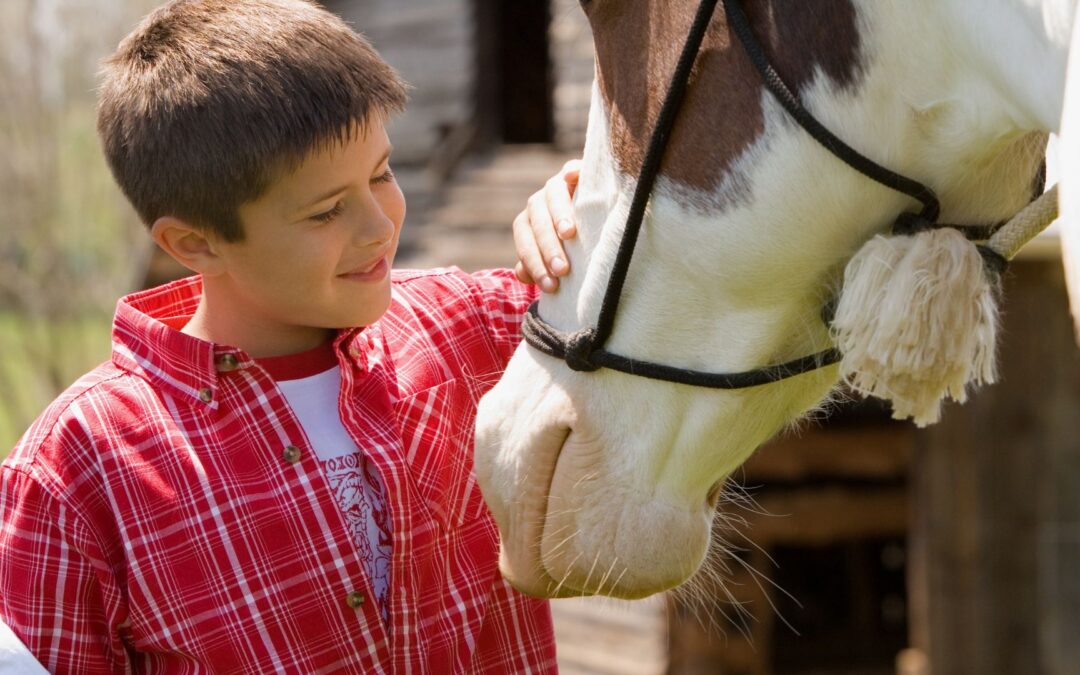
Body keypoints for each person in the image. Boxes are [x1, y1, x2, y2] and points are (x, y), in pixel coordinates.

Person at [0, 0, 578, 672]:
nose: (378, 225)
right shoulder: (76, 470)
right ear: (194, 242)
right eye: (327, 209)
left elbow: (666, 285)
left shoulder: (471, 329)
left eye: (381, 173)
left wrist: (585, 208)